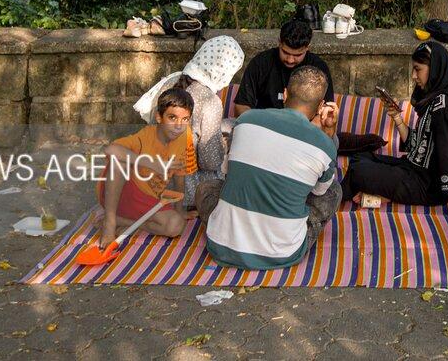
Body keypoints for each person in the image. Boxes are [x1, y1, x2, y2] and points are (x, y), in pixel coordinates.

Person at [199, 66, 342, 269]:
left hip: (221, 247)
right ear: (320, 106)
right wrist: (327, 135)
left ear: (285, 94)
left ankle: (231, 233)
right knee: (334, 190)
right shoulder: (325, 145)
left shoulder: (245, 120)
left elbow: (226, 173)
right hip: (282, 254)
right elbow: (318, 192)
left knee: (206, 187)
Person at [341, 41, 448, 224]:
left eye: (418, 69)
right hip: (413, 169)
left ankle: (334, 199)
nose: (414, 76)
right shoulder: (436, 99)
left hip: (427, 186)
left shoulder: (443, 106)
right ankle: (385, 193)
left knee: (358, 171)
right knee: (361, 157)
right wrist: (397, 118)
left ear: (435, 69)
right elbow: (418, 145)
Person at [132, 35, 245, 209]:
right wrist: (223, 144)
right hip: (188, 190)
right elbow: (210, 162)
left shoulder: (171, 81)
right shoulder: (209, 101)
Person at [96, 86, 197, 248]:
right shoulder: (145, 136)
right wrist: (154, 164)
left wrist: (180, 209)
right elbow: (110, 150)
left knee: (176, 226)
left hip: (148, 200)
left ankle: (124, 222)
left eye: (185, 119)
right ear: (159, 117)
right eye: (172, 117)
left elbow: (180, 172)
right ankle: (110, 221)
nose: (179, 125)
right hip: (118, 194)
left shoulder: (186, 135)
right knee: (120, 160)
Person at [233, 18, 333, 116]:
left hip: (303, 126)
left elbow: (326, 113)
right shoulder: (261, 63)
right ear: (279, 42)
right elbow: (241, 105)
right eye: (285, 52)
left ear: (307, 47)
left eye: (297, 55)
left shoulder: (319, 68)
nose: (290, 60)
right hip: (262, 124)